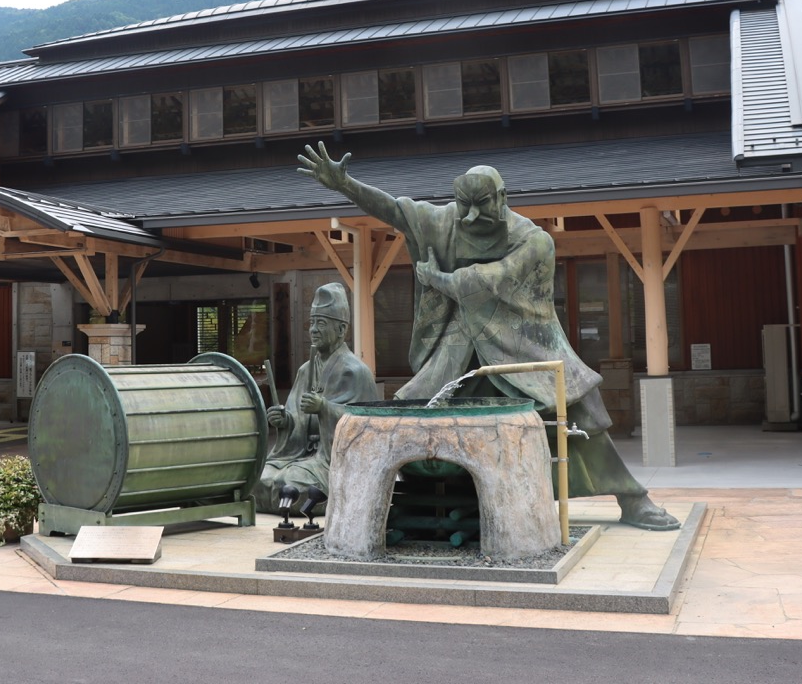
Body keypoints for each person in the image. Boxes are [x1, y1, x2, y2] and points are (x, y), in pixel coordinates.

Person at [297, 142, 679, 530]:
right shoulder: (446, 222)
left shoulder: (532, 240)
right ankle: (445, 500)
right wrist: (345, 185)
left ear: (502, 198)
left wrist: (436, 280)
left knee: (578, 412)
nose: (472, 215)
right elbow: (397, 210)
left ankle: (632, 498)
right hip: (458, 347)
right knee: (420, 418)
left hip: (520, 347)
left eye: (482, 205)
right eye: (464, 205)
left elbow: (487, 281)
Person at [252, 282, 378, 515]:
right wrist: (284, 420)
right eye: (311, 323)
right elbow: (295, 416)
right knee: (259, 477)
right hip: (297, 454)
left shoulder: (355, 372)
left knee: (291, 483)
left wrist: (324, 408)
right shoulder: (305, 370)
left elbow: (366, 423)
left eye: (321, 323)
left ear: (341, 329)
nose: (313, 330)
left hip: (330, 460)